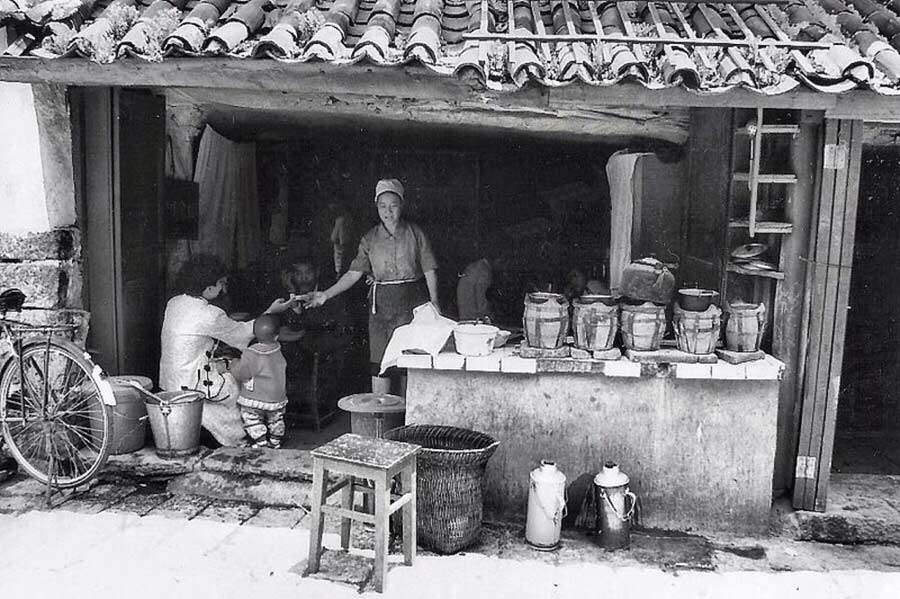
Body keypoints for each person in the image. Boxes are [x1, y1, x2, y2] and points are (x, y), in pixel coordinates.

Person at [304, 178, 439, 395]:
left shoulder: (415, 233)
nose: (388, 211)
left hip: (411, 304)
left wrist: (435, 303)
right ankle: (382, 422)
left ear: (401, 206)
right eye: (382, 206)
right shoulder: (370, 239)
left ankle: (408, 424)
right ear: (376, 207)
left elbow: (429, 269)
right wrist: (325, 295)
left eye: (393, 205)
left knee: (408, 362)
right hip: (381, 308)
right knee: (380, 364)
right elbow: (353, 273)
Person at [159, 254, 297, 446]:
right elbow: (240, 334)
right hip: (193, 383)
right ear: (208, 287)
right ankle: (245, 435)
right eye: (221, 284)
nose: (224, 288)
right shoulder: (209, 314)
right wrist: (271, 312)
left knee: (228, 361)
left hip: (170, 380)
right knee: (240, 379)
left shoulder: (174, 303)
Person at [230, 314, 288, 449]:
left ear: (254, 334)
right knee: (276, 419)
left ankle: (261, 442)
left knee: (251, 417)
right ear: (276, 336)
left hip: (256, 396)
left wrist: (233, 364)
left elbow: (244, 374)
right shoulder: (277, 348)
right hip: (276, 397)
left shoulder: (251, 352)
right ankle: (275, 442)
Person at [457, 253, 493, 322]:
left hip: (463, 316)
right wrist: (488, 316)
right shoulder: (484, 270)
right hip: (475, 319)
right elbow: (480, 299)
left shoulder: (472, 267)